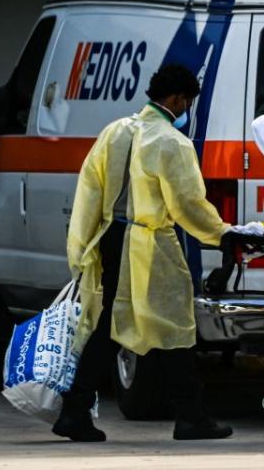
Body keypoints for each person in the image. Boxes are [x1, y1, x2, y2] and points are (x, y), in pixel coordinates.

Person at [53, 64, 233, 442]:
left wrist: (84, 245)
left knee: (109, 327)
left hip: (110, 238)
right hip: (148, 244)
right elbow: (187, 203)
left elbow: (89, 189)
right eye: (187, 102)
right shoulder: (171, 142)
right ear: (179, 99)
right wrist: (222, 234)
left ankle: (75, 410)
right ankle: (190, 417)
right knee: (175, 328)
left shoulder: (115, 132)